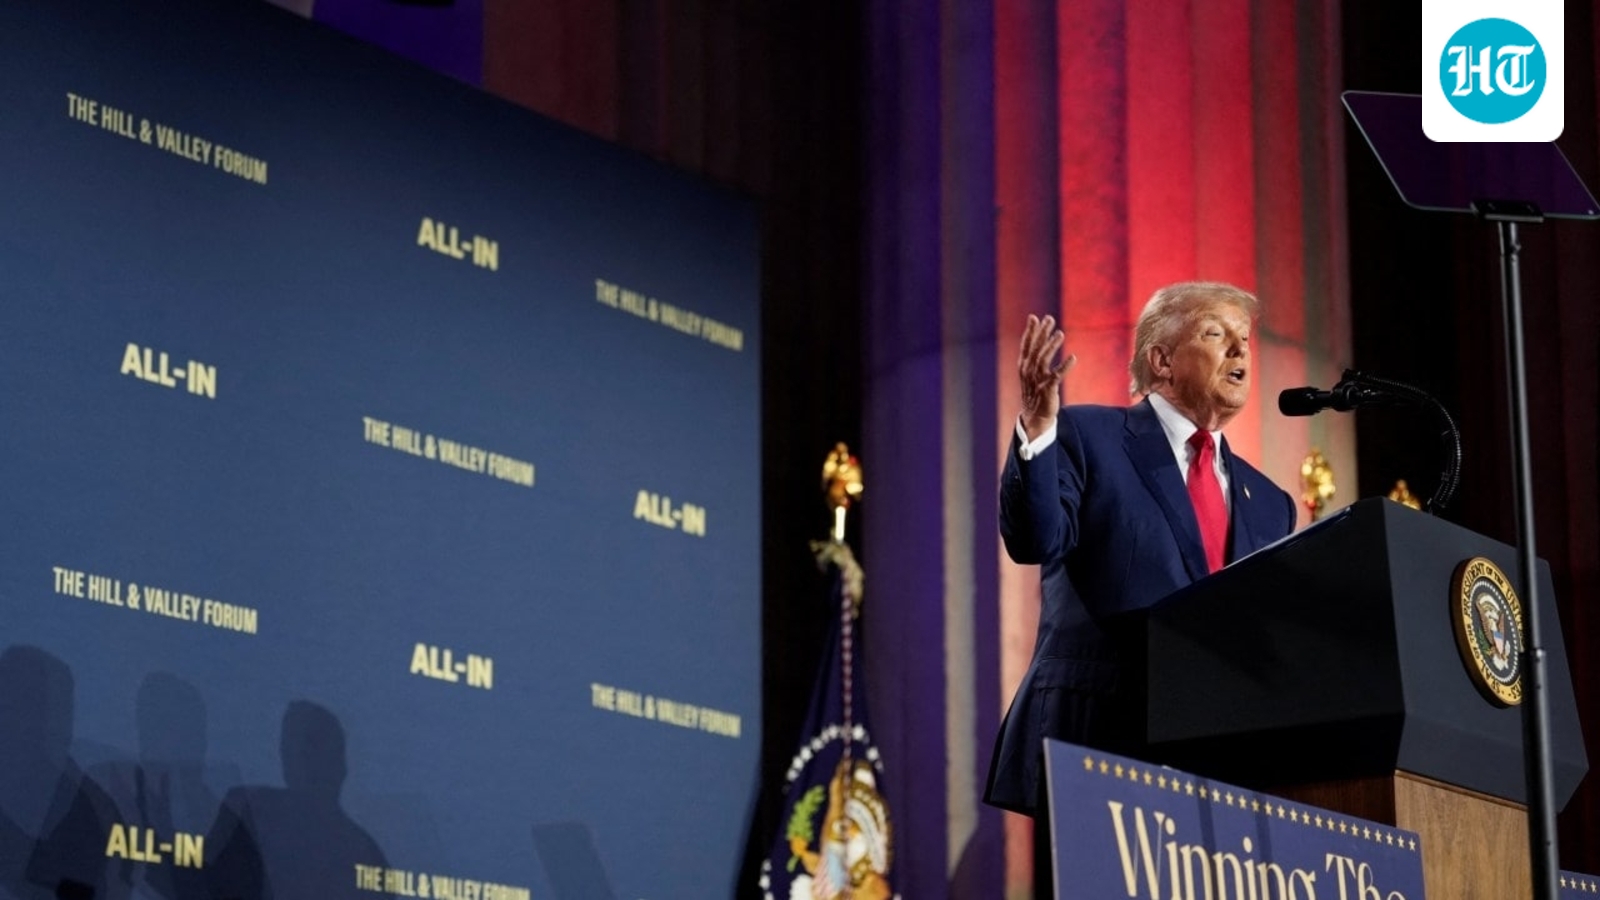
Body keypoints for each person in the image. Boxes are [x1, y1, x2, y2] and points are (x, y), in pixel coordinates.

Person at [983, 282, 1297, 823]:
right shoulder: (1086, 435)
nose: (1240, 349)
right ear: (1162, 360)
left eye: (1244, 338)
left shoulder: (1272, 503)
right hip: (1098, 745)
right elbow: (1034, 539)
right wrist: (1036, 428)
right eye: (1215, 333)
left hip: (1222, 771)